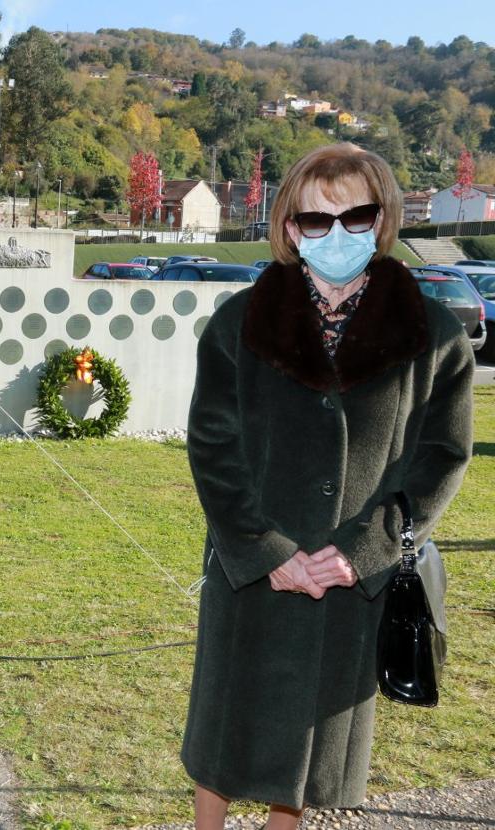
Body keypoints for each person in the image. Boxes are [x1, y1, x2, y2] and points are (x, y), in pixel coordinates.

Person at [182, 142, 472, 829]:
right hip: (253, 572)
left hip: (351, 580)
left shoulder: (433, 337)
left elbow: (442, 458)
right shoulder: (238, 324)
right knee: (222, 739)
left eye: (356, 216)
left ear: (383, 220)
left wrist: (360, 551)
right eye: (316, 220)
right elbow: (213, 450)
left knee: (307, 759)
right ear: (289, 228)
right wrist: (266, 551)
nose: (336, 236)